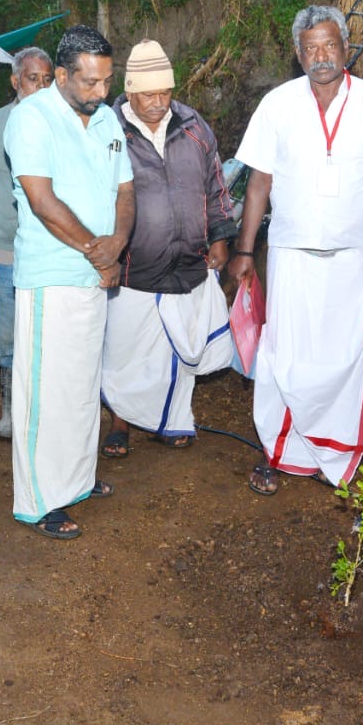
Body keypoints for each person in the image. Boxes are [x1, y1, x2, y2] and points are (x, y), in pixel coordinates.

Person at [229, 5, 363, 495]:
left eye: (330, 45)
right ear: (298, 54)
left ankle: (336, 453)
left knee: (345, 356)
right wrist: (246, 251)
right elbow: (258, 184)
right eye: (310, 48)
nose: (321, 57)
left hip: (351, 259)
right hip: (290, 256)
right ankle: (280, 451)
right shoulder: (277, 104)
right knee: (284, 356)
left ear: (346, 46)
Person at [3, 25, 135, 539]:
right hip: (52, 276)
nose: (101, 93)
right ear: (60, 76)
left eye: (106, 81)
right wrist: (96, 250)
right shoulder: (31, 119)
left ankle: (76, 480)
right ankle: (40, 499)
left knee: (82, 386)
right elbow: (42, 200)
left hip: (95, 274)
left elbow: (126, 188)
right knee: (47, 392)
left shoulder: (105, 120)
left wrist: (118, 243)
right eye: (89, 83)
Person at [100, 39, 236, 457]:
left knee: (176, 349)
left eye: (166, 93)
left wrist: (220, 235)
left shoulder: (192, 125)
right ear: (130, 89)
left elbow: (215, 184)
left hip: (186, 263)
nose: (159, 103)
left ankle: (174, 421)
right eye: (148, 95)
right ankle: (120, 423)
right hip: (132, 268)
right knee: (124, 352)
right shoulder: (107, 130)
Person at [0, 46, 55, 441]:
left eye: (47, 79)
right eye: (32, 78)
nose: (39, 86)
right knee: (8, 334)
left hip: (54, 248)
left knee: (52, 332)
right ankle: (10, 411)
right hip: (6, 250)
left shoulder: (65, 124)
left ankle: (49, 411)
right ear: (15, 80)